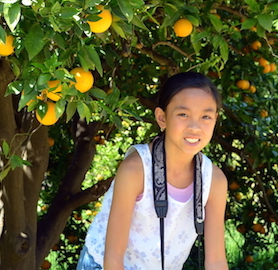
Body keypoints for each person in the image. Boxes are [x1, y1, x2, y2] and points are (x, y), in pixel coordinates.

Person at [77, 72, 228, 270]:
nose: (195, 127)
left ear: (215, 119)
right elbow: (113, 257)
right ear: (162, 117)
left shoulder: (214, 180)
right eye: (183, 114)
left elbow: (216, 261)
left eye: (206, 116)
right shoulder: (136, 170)